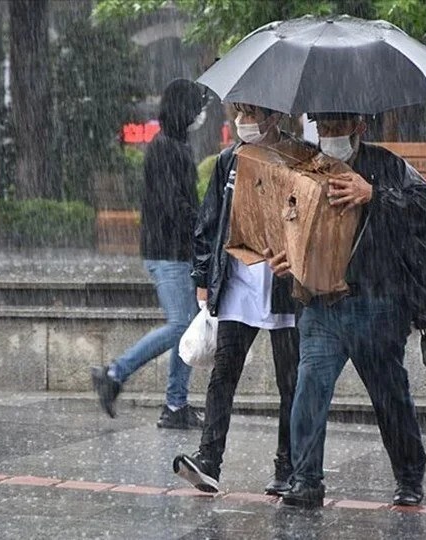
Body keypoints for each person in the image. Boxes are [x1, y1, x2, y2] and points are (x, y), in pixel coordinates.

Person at [266, 112, 426, 509]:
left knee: (389, 394)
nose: (328, 134)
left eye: (337, 125)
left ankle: (409, 475)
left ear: (359, 125)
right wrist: (283, 258)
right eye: (321, 126)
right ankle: (306, 479)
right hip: (321, 305)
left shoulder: (385, 165)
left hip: (374, 301)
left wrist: (374, 194)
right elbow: (283, 224)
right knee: (308, 389)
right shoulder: (304, 169)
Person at [172, 103, 301, 495]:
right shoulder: (229, 161)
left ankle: (287, 466)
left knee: (291, 382)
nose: (244, 122)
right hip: (237, 283)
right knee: (223, 373)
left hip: (283, 286)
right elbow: (208, 221)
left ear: (274, 117)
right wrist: (201, 276)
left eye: (251, 114)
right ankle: (209, 458)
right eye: (239, 113)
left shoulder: (299, 160)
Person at [90, 79, 206, 430]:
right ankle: (115, 372)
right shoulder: (165, 148)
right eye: (196, 108)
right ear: (183, 110)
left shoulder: (177, 146)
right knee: (181, 326)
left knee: (186, 329)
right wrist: (203, 225)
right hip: (167, 251)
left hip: (178, 250)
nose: (200, 115)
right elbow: (173, 204)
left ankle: (175, 405)